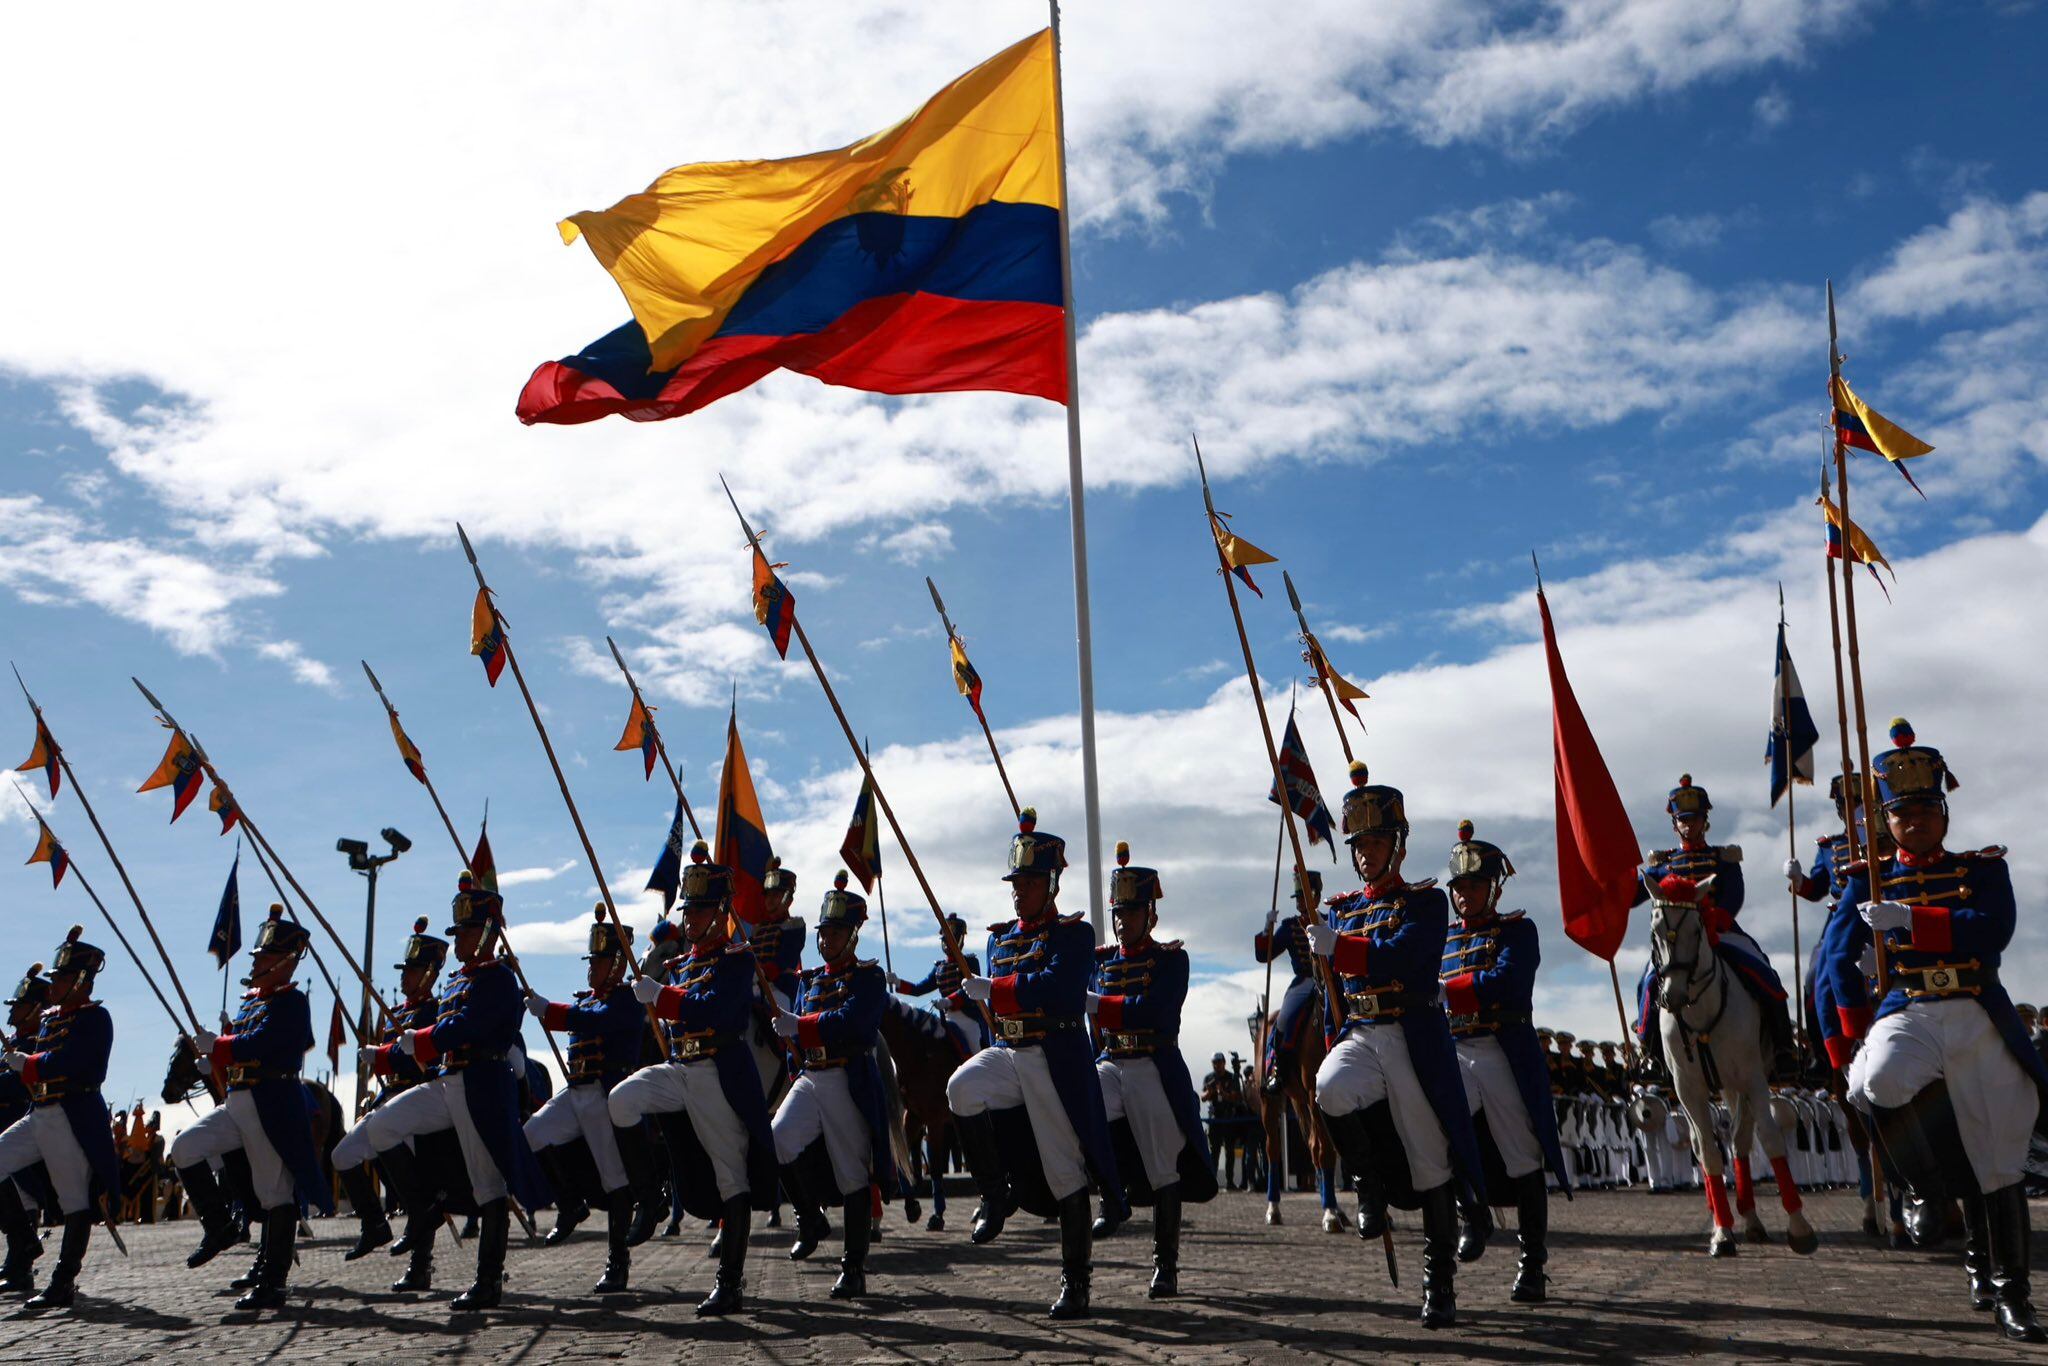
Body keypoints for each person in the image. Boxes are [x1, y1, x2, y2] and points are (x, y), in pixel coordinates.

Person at [1825, 720, 2048, 1343]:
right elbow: (1838, 962)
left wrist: (1911, 920)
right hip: (1910, 1009)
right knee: (1873, 1082)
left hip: (1977, 1008)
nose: (1916, 822)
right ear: (1887, 821)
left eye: (1926, 810)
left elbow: (1990, 929)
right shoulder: (1864, 880)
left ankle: (2012, 1294)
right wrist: (1850, 1027)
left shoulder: (1982, 871)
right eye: (1903, 814)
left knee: (2000, 1158)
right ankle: (1924, 1189)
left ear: (1943, 815)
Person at [1307, 763, 1484, 1329]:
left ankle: (1439, 1285)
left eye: (1376, 842)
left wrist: (1341, 948)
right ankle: (1367, 1186)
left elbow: (1406, 959)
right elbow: (1329, 983)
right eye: (1359, 845)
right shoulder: (1340, 907)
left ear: (1398, 847)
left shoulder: (1426, 904)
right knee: (1327, 1087)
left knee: (1431, 1157)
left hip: (1411, 1035)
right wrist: (1322, 950)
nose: (1365, 854)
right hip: (1361, 1032)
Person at [945, 808, 1122, 1320]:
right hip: (1009, 1051)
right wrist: (988, 997)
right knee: (961, 1089)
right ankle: (993, 1194)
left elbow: (1059, 989)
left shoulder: (1074, 935)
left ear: (1050, 883)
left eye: (1027, 881)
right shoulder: (999, 937)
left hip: (1051, 1055)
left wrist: (996, 990)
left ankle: (1076, 1281)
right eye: (1014, 882)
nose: (1017, 891)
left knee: (1066, 1170)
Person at [354, 871, 549, 1311]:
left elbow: (469, 1025)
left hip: (483, 1081)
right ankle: (422, 1207)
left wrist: (422, 1039)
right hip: (448, 1079)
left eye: (465, 931)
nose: (458, 939)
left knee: (487, 1183)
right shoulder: (459, 980)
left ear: (486, 933)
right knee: (383, 1127)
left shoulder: (500, 979)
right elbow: (444, 1027)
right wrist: (405, 1046)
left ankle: (488, 1279)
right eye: (457, 931)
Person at [614, 845, 779, 1316]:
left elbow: (717, 1011)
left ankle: (730, 1282)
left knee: (732, 1177)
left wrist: (663, 999)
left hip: (716, 1073)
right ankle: (649, 1200)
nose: (690, 919)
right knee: (622, 1101)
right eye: (688, 909)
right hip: (680, 1069)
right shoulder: (679, 964)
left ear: (721, 912)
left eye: (700, 909)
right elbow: (670, 1011)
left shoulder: (736, 959)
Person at [174, 907, 330, 1309]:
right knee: (185, 1148)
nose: (256, 963)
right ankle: (219, 1227)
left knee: (274, 1191)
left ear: (284, 962)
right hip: (237, 1101)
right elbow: (241, 1044)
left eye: (263, 958)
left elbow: (265, 1044)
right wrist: (217, 1057)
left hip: (270, 1101)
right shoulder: (251, 1001)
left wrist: (222, 1048)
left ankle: (272, 1280)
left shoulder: (291, 1001)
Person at [1438, 821, 1568, 1303]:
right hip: (1453, 1050)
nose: (1464, 895)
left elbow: (1508, 982)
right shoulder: (1444, 938)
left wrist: (1447, 991)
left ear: (1492, 887)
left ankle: (1532, 1261)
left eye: (1473, 886)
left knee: (1521, 1156)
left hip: (1500, 1051)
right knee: (1437, 1123)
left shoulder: (1518, 930)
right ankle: (1470, 1210)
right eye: (1458, 887)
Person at [1089, 843, 1215, 1299]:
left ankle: (1166, 1265)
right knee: (1083, 1105)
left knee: (1165, 1167)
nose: (1123, 921)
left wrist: (1101, 1006)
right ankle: (1111, 1194)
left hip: (1151, 1064)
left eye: (1132, 912)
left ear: (1151, 915)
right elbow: (1091, 1024)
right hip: (1109, 1060)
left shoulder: (1171, 960)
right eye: (1118, 913)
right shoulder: (1100, 963)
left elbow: (1155, 1012)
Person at [770, 871, 893, 1299]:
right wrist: (794, 1051)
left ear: (854, 935)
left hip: (847, 1076)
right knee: (778, 1139)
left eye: (836, 932)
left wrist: (800, 1026)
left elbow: (855, 1023)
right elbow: (796, 1039)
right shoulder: (808, 981)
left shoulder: (868, 978)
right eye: (824, 932)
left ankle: (853, 1266)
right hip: (810, 1076)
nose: (827, 940)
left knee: (853, 1172)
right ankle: (809, 1216)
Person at [522, 907, 653, 1294]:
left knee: (615, 1181)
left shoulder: (628, 999)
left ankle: (618, 1261)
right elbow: (582, 1017)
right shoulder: (587, 1000)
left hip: (604, 1094)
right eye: (590, 960)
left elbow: (596, 1022)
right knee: (531, 1136)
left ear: (616, 964)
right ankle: (568, 1203)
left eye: (598, 961)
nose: (591, 968)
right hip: (575, 1091)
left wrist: (551, 1011)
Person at [1633, 776, 1796, 1074]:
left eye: (1693, 819)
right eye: (1682, 820)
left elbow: (1733, 896)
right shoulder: (1661, 864)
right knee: (1647, 983)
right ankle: (1651, 1053)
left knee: (1763, 972)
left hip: (1720, 932)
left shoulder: (1723, 858)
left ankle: (1784, 1047)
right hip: (1677, 940)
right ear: (1674, 823)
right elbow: (1634, 897)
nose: (1688, 826)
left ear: (1704, 821)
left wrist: (1715, 920)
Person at [0, 927, 120, 1311]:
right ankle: (23, 1244)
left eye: (63, 978)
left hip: (72, 1113)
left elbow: (80, 1066)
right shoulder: (51, 1019)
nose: (54, 985)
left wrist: (29, 1065)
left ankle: (62, 1280)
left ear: (81, 981)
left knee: (74, 1202)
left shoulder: (96, 1018)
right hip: (41, 1113)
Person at [332, 916, 444, 1274]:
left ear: (429, 972)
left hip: (417, 1101)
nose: (404, 977)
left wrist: (385, 1055)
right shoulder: (396, 1013)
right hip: (389, 1103)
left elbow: (425, 1059)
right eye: (404, 970)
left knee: (421, 1191)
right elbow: (386, 1063)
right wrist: (375, 1056)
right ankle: (374, 1223)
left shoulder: (435, 1011)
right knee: (344, 1154)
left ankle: (420, 1266)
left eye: (411, 970)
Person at [0, 961, 51, 1290]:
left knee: (23, 1200)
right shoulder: (17, 1043)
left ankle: (22, 1258)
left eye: (19, 1005)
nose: (13, 1011)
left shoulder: (39, 1043)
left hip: (30, 1133)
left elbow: (20, 1086)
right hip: (9, 1132)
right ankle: (18, 1258)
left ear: (35, 1009)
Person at [1255, 871, 1326, 1097]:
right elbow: (1263, 955)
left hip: (1328, 980)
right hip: (1305, 981)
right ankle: (1278, 1070)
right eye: (1298, 898)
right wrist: (1267, 929)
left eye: (1305, 896)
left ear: (1315, 896)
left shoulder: (1328, 919)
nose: (1301, 902)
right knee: (1284, 1020)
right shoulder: (1289, 927)